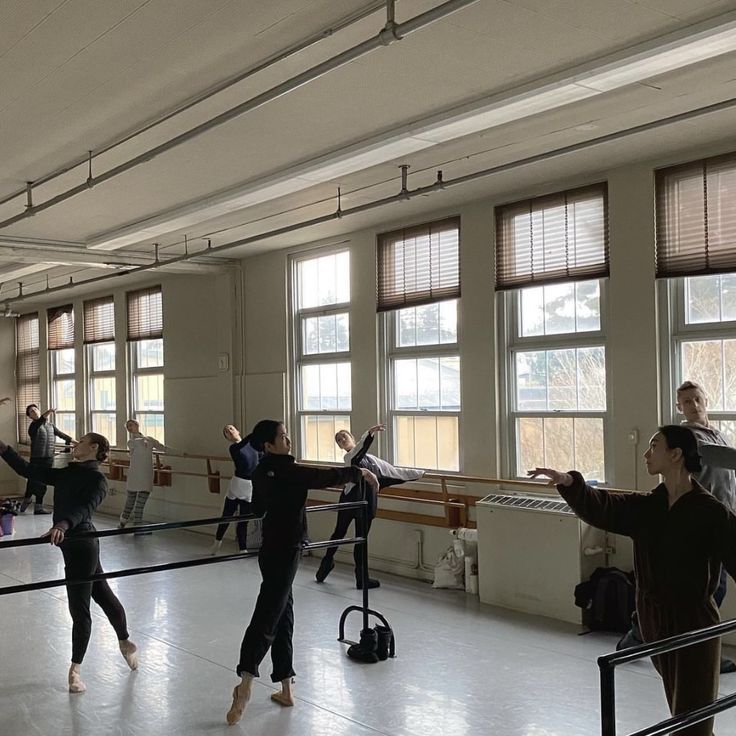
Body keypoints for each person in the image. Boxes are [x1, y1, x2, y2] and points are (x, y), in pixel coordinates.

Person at [528, 425, 736, 736]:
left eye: (655, 446)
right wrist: (570, 483)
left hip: (693, 623)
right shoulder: (648, 506)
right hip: (655, 621)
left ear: (676, 454)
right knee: (683, 712)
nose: (646, 454)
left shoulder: (709, 512)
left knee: (693, 718)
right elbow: (605, 507)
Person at [225, 420, 378, 726]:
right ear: (268, 445)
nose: (288, 440)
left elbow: (257, 508)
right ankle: (245, 682)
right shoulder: (288, 470)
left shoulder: (261, 470)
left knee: (284, 612)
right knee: (269, 613)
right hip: (287, 549)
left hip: (270, 549)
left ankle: (285, 686)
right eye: (282, 437)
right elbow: (322, 476)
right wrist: (358, 471)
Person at [0, 432, 138, 694]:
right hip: (68, 541)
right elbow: (27, 469)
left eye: (82, 441)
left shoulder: (98, 480)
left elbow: (84, 509)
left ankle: (75, 671)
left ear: (94, 447)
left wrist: (62, 524)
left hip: (82, 545)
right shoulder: (67, 473)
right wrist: (2, 447)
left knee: (79, 607)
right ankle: (125, 642)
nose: (76, 444)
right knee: (104, 595)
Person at [617, 380, 736, 673]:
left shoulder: (718, 435)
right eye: (686, 402)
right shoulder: (686, 438)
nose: (693, 406)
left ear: (705, 400)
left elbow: (727, 482)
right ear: (678, 407)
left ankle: (648, 637)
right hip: (695, 524)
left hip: (719, 522)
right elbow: (721, 459)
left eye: (696, 399)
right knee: (705, 593)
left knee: (705, 593)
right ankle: (683, 645)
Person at [315, 424, 424, 588]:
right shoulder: (350, 458)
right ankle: (326, 565)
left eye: (344, 436)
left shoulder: (372, 460)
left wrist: (419, 473)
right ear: (339, 446)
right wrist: (370, 433)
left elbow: (392, 472)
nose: (341, 440)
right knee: (339, 533)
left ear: (351, 437)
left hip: (366, 502)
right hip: (351, 500)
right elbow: (360, 448)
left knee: (361, 540)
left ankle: (361, 578)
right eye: (338, 439)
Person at [210, 424, 261, 555]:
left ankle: (242, 548)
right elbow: (242, 443)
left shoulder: (253, 446)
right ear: (227, 438)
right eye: (226, 432)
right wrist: (254, 433)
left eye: (231, 428)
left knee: (243, 519)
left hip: (250, 486)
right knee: (227, 516)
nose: (229, 431)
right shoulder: (233, 448)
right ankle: (217, 541)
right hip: (237, 485)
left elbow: (261, 458)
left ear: (237, 430)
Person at [119, 419, 174, 532]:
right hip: (135, 474)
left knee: (140, 503)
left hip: (146, 473)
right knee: (130, 500)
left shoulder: (149, 440)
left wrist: (180, 453)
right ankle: (123, 522)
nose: (129, 428)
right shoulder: (131, 442)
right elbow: (133, 445)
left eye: (131, 425)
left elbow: (163, 448)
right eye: (127, 427)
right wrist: (142, 441)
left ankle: (137, 525)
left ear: (137, 425)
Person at [21, 404, 73, 514]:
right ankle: (27, 498)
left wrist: (77, 443)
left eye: (35, 409)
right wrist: (49, 411)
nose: (34, 411)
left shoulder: (50, 426)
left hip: (48, 459)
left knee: (42, 482)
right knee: (33, 480)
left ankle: (38, 507)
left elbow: (62, 435)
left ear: (39, 410)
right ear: (29, 416)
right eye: (31, 411)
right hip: (36, 459)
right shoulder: (33, 427)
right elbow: (41, 421)